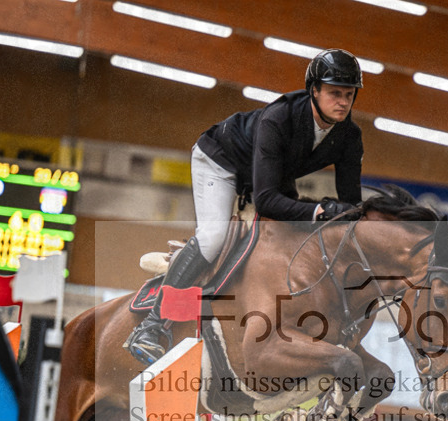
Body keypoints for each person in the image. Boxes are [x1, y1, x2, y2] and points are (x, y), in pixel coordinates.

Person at [125, 48, 365, 364]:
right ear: (314, 90)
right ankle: (152, 326)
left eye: (349, 94)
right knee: (214, 237)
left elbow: (351, 206)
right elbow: (267, 200)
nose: (344, 102)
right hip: (221, 161)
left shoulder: (349, 136)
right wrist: (318, 211)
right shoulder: (278, 119)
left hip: (268, 174)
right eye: (335, 93)